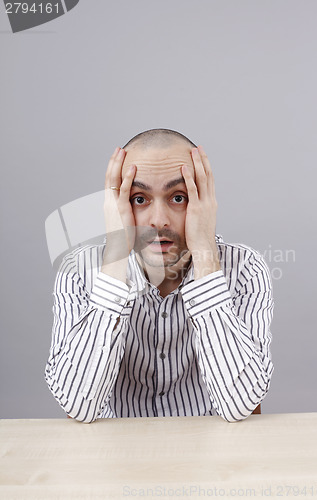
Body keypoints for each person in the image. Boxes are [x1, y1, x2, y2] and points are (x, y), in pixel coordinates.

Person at [45, 128, 274, 423]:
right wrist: (114, 258)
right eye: (139, 199)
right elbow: (78, 406)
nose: (158, 221)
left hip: (213, 455)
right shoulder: (79, 271)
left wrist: (205, 255)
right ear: (117, 205)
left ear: (203, 201)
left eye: (178, 197)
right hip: (113, 454)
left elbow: (240, 405)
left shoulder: (245, 268)